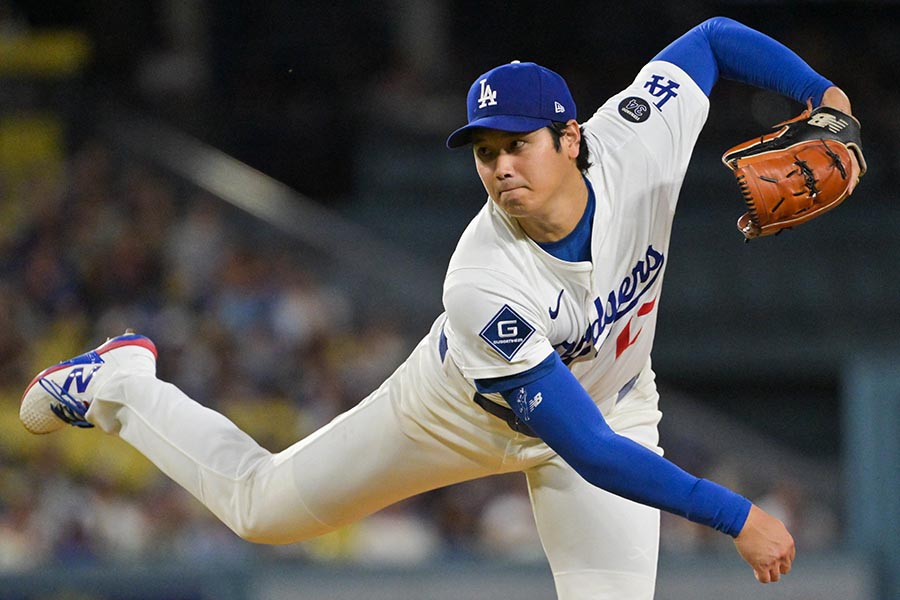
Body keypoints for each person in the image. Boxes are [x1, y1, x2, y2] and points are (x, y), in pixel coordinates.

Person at [21, 16, 861, 599]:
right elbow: (592, 455)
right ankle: (121, 384)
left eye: (519, 145)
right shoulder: (482, 280)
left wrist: (825, 94)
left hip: (609, 410)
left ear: (572, 138)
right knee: (263, 511)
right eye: (485, 152)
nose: (500, 168)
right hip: (456, 416)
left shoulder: (638, 140)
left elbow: (714, 41)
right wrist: (735, 513)